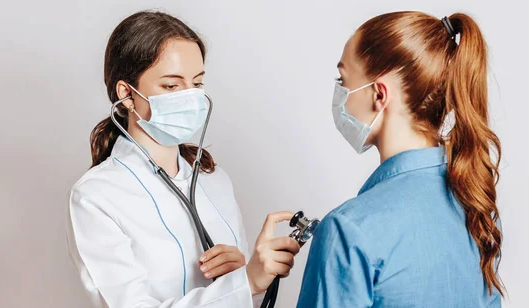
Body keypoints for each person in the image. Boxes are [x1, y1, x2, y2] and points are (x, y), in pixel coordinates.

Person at [66, 11, 300, 308]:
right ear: (126, 95)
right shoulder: (95, 197)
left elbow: (236, 294)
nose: (191, 98)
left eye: (197, 84)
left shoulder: (214, 179)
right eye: (172, 86)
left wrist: (241, 273)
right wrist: (245, 282)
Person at [297, 11, 503, 307]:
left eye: (342, 79)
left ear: (379, 95)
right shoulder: (478, 209)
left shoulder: (348, 230)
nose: (339, 92)